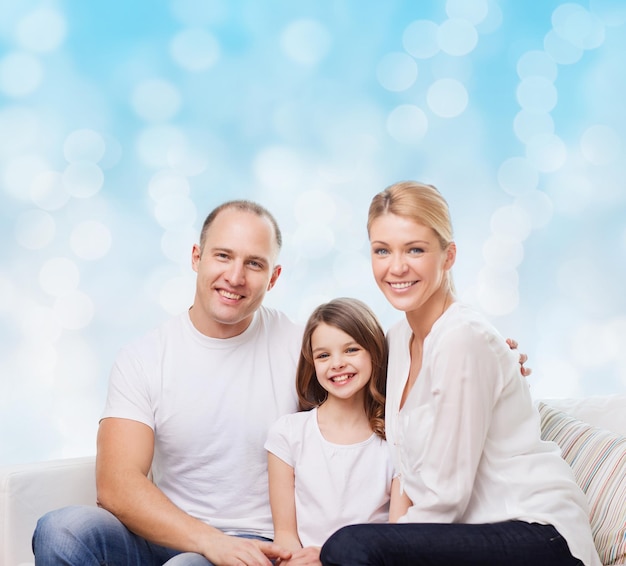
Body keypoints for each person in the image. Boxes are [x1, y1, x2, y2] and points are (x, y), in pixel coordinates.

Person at [319, 181, 601, 566]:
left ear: (448, 256)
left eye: (415, 249)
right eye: (382, 250)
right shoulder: (397, 341)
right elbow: (403, 470)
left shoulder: (462, 338)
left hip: (537, 532)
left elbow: (445, 497)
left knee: (349, 548)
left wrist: (385, 547)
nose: (396, 267)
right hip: (467, 533)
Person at [32, 200, 302, 565]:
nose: (235, 277)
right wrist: (210, 541)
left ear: (273, 277)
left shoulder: (303, 349)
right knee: (61, 529)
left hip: (260, 546)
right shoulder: (144, 358)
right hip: (172, 533)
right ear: (196, 257)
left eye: (254, 263)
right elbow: (115, 484)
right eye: (223, 256)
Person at [265, 298, 401, 565]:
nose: (336, 364)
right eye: (323, 355)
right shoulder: (288, 434)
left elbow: (396, 541)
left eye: (351, 350)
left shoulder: (396, 439)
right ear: (312, 363)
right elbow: (285, 536)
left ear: (374, 352)